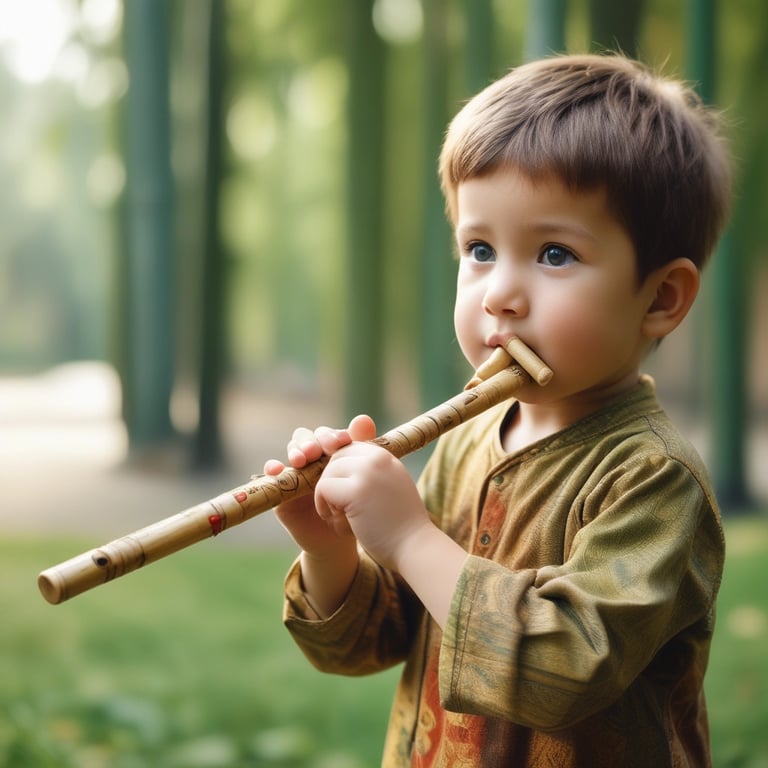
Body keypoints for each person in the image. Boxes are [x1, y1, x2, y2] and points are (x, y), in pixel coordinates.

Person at [264, 53, 731, 767]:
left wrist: (413, 537)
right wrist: (331, 548)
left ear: (661, 298)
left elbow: (566, 668)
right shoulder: (466, 441)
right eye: (479, 248)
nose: (499, 294)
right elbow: (379, 641)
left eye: (552, 254)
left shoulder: (654, 480)